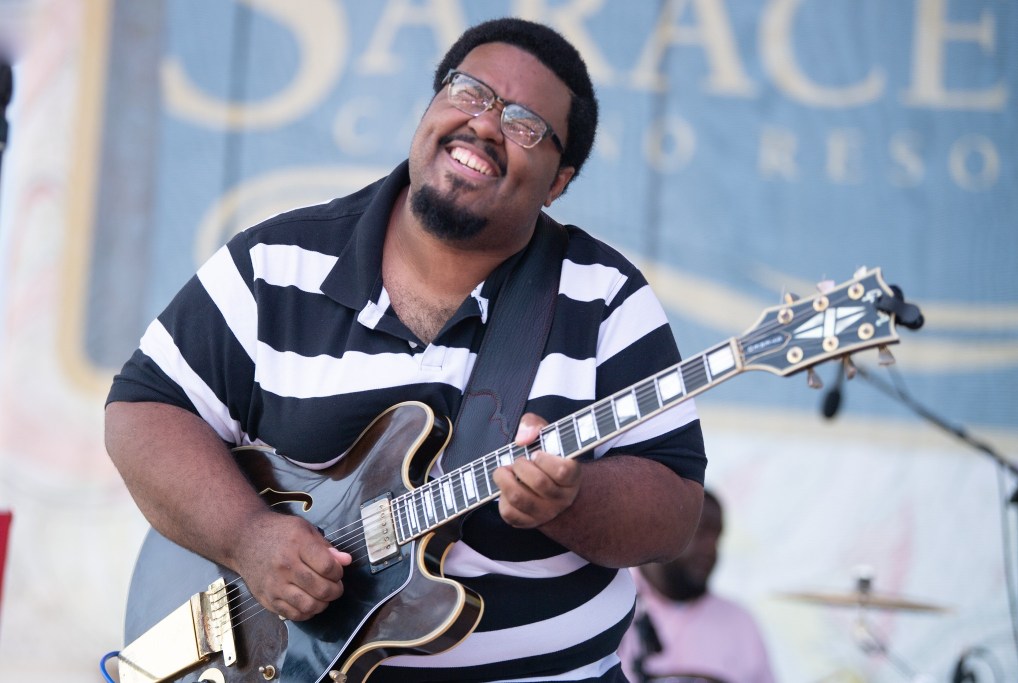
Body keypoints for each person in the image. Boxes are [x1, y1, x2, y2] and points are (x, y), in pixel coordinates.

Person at [105, 17, 707, 683]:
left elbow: (674, 511)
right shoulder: (276, 262)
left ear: (558, 181)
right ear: (431, 105)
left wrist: (571, 499)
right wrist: (247, 537)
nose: (485, 124)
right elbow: (144, 410)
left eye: (525, 124)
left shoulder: (606, 298)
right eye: (470, 92)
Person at [619, 491, 775, 683]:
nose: (710, 549)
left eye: (717, 537)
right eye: (700, 532)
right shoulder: (610, 605)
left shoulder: (740, 622)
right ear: (658, 530)